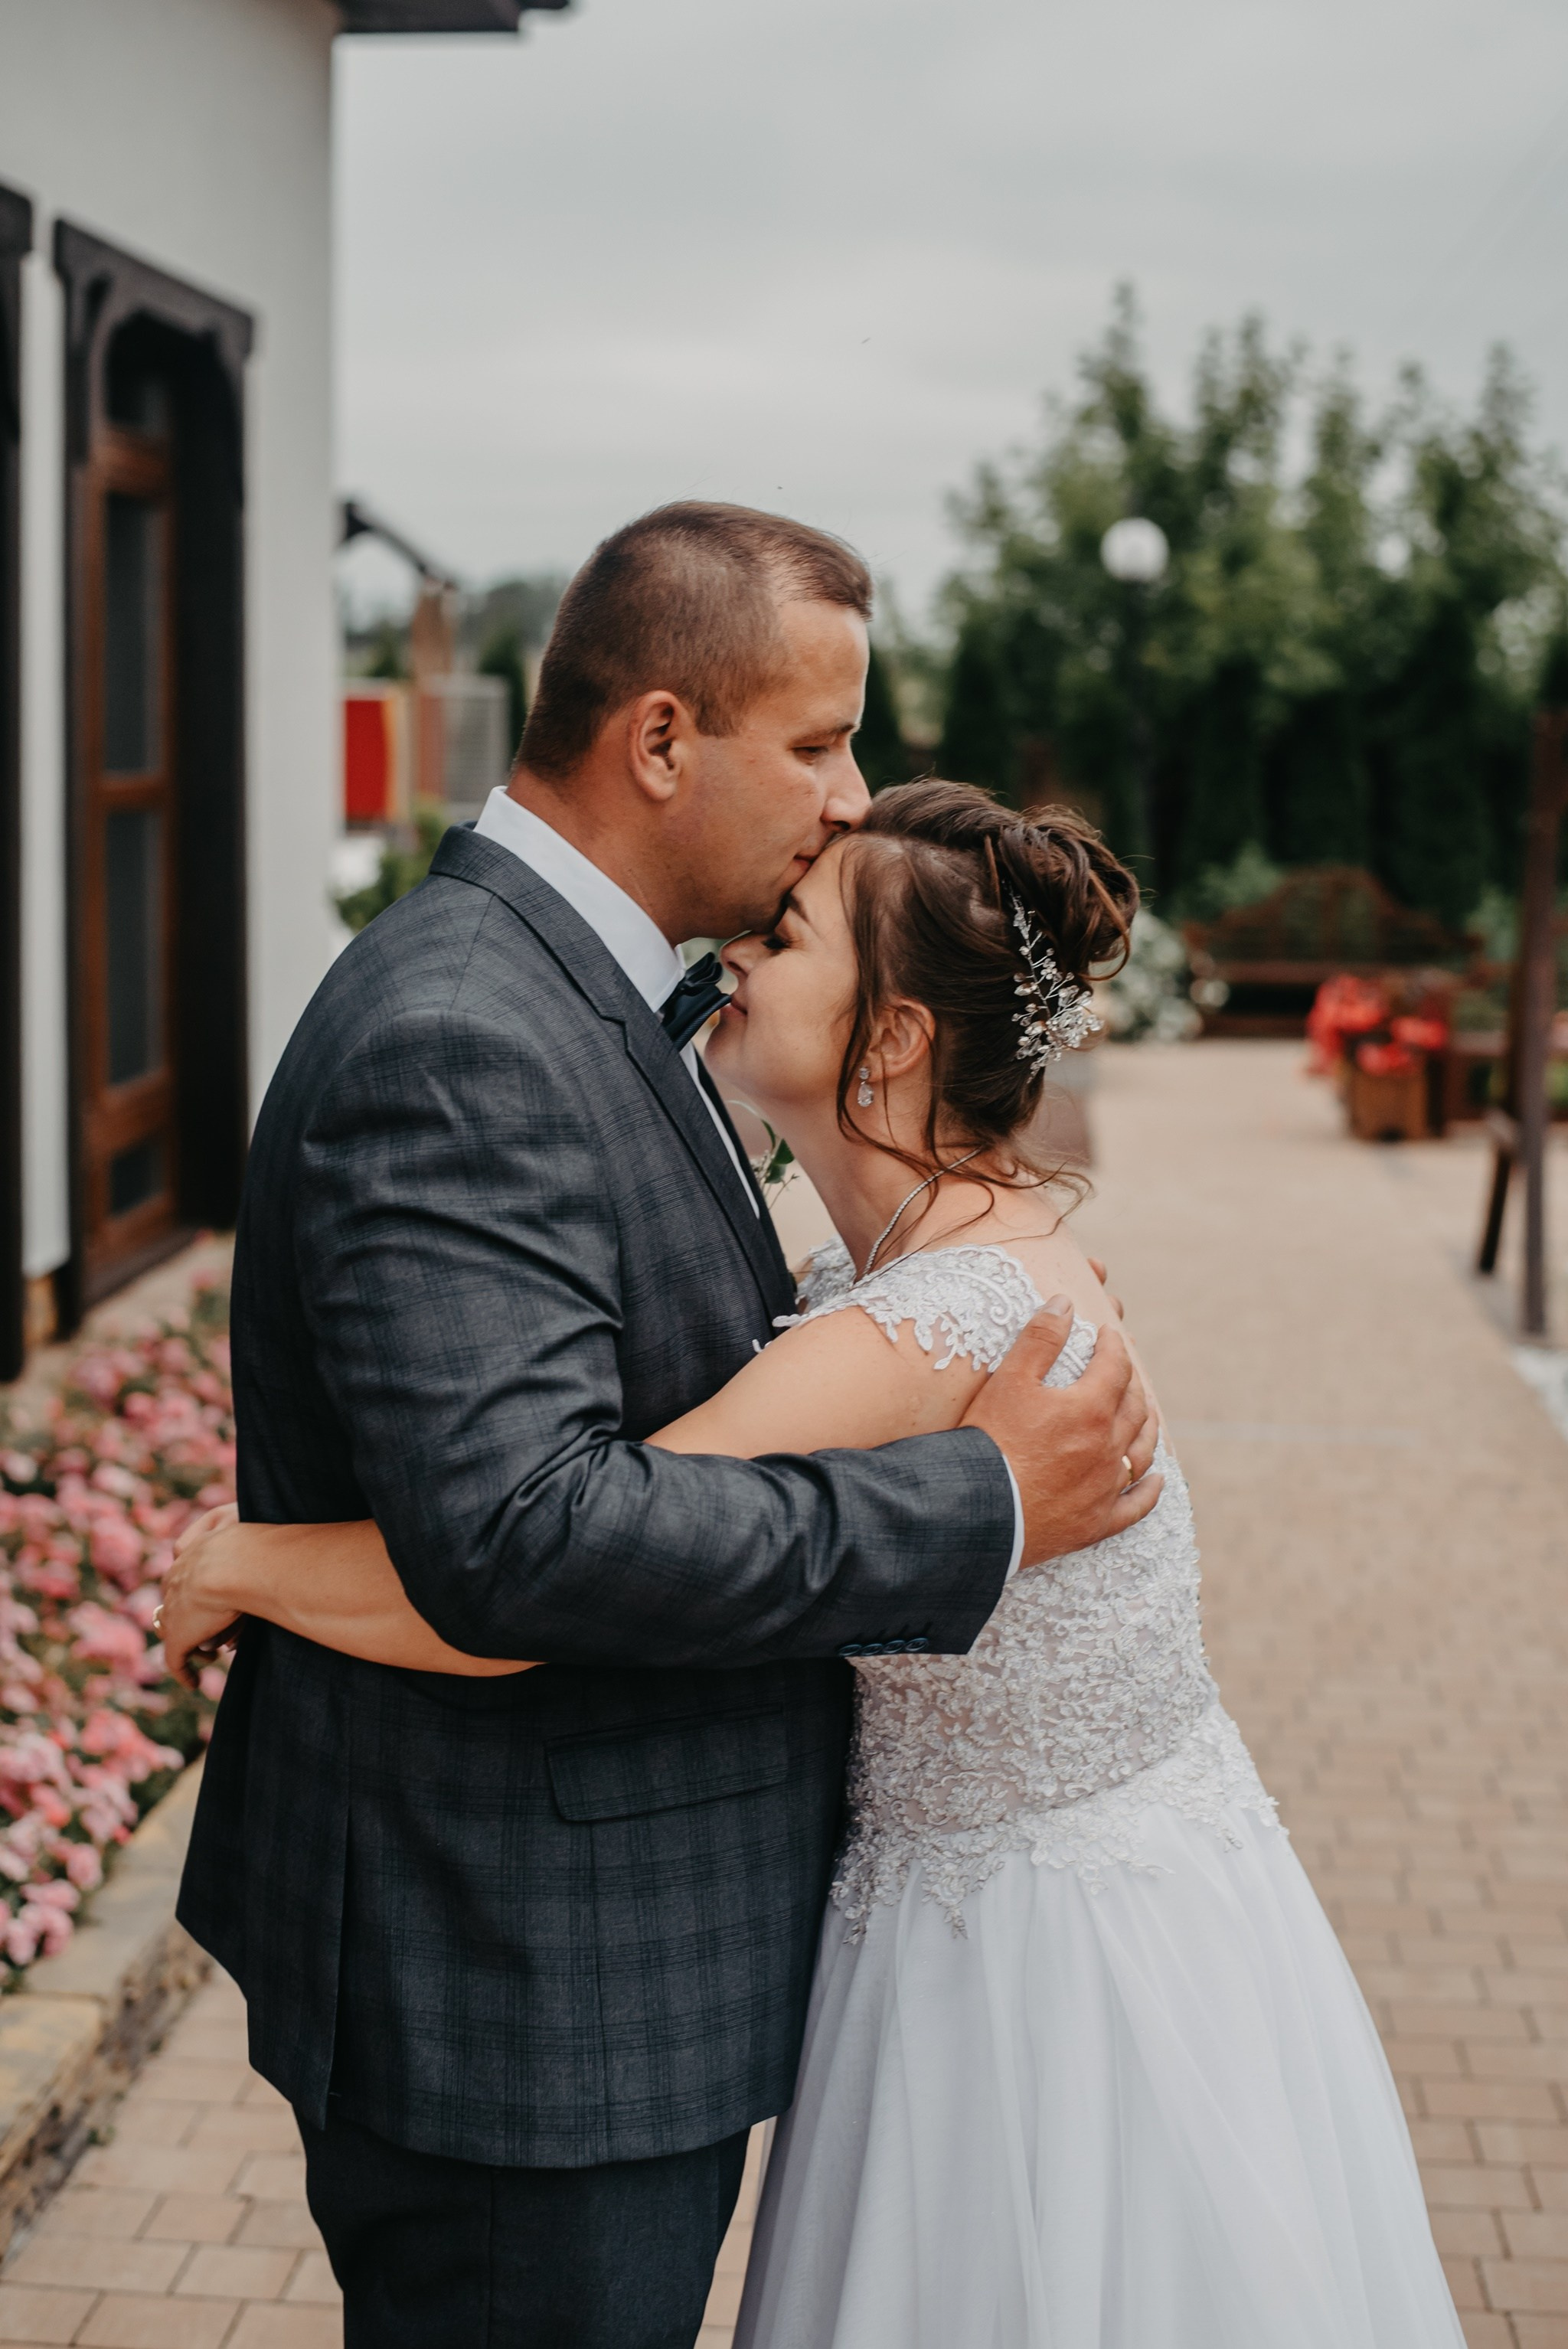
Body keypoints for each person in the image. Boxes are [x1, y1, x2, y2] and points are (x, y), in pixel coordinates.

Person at [169, 775, 1463, 2348]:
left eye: (784, 937)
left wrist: (250, 1561)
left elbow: (528, 1589)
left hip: (1031, 1987)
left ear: (896, 1037)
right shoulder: (910, 1271)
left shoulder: (921, 1324)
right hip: (1096, 1912)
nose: (731, 957)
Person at [172, 505, 1161, 2349]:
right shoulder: (467, 1032)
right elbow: (527, 1536)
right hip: (520, 1999)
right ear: (656, 741)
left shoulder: (615, 1003)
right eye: (816, 741)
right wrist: (982, 1500)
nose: (852, 797)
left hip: (609, 1963)